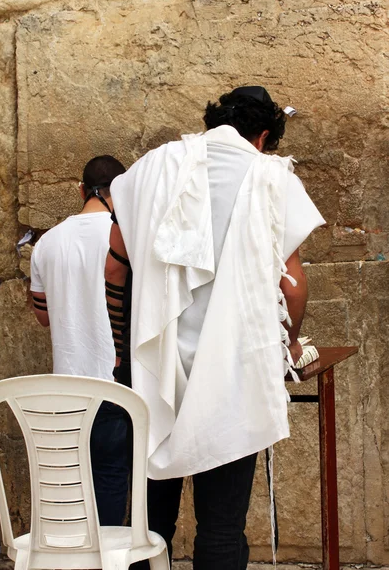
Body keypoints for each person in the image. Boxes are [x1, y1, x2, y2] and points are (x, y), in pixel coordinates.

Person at [105, 86, 326, 569]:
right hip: (232, 373)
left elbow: (114, 271)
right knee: (222, 526)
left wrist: (122, 351)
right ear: (264, 135)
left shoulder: (152, 167)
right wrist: (290, 343)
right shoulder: (270, 175)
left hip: (153, 371)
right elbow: (292, 285)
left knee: (148, 526)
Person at [30, 155, 131, 526]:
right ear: (121, 190)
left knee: (72, 485)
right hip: (115, 383)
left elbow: (43, 316)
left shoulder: (47, 243)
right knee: (114, 480)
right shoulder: (125, 236)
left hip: (66, 388)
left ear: (79, 189)